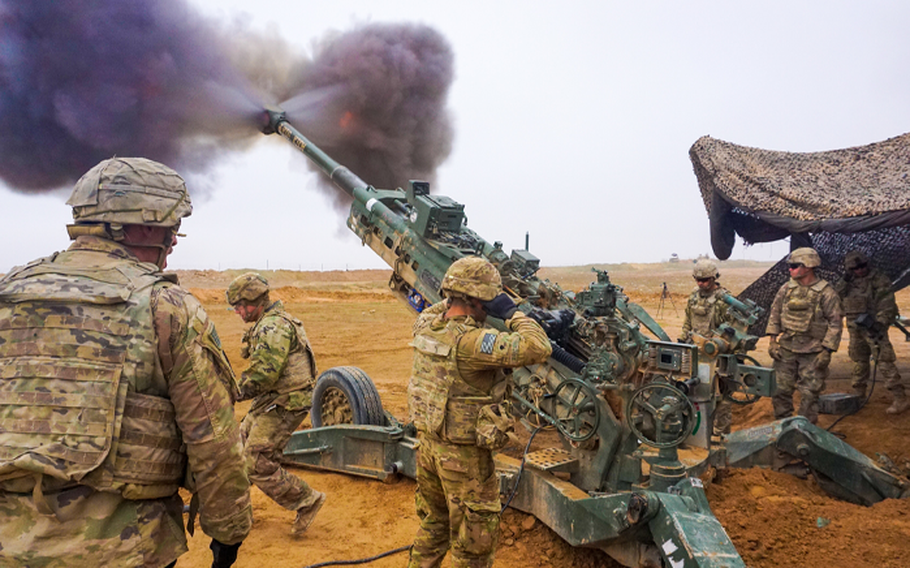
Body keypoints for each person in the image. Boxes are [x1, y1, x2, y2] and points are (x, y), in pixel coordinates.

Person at [0, 157, 251, 568]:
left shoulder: (7, 293)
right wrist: (228, 534)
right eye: (170, 228)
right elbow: (214, 441)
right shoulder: (165, 307)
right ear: (141, 225)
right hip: (125, 548)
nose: (172, 242)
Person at [407, 256, 552, 568]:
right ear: (475, 299)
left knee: (433, 528)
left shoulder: (425, 328)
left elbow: (437, 309)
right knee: (473, 549)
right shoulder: (473, 342)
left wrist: (457, 296)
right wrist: (511, 312)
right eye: (488, 298)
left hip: (428, 450)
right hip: (465, 462)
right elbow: (539, 346)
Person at [226, 272, 326, 537]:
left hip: (286, 404)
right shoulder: (268, 322)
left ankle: (306, 500)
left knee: (256, 460)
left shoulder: (273, 327)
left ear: (254, 301)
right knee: (238, 449)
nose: (237, 312)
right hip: (271, 400)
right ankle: (237, 511)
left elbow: (263, 375)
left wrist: (230, 392)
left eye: (239, 306)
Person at [766, 247, 843, 424]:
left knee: (809, 393)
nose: (790, 269)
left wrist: (827, 351)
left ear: (808, 267)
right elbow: (775, 314)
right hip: (786, 349)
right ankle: (783, 427)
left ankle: (805, 431)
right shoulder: (786, 289)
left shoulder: (826, 293)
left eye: (794, 266)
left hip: (813, 351)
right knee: (779, 390)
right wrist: (772, 341)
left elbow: (835, 323)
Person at [834, 250, 908, 415]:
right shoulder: (847, 282)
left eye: (862, 266)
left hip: (874, 327)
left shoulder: (878, 279)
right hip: (854, 328)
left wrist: (880, 323)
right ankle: (859, 394)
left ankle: (900, 397)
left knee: (884, 361)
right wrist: (844, 281)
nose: (860, 270)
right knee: (859, 361)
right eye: (855, 268)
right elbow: (835, 297)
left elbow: (887, 303)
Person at [679, 259, 737, 436]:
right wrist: (683, 338)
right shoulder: (694, 296)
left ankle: (720, 435)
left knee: (721, 399)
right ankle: (696, 433)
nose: (700, 283)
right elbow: (688, 321)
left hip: (716, 355)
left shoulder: (724, 299)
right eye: (697, 279)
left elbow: (732, 330)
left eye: (704, 280)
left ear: (714, 278)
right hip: (695, 352)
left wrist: (719, 343)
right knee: (693, 391)